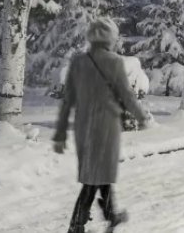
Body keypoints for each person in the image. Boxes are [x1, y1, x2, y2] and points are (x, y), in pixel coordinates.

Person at [54, 18, 150, 233]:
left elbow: (68, 99)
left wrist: (60, 133)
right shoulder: (114, 61)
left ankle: (111, 215)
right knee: (95, 177)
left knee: (98, 173)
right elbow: (126, 94)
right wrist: (141, 116)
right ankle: (76, 225)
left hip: (83, 127)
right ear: (110, 37)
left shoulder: (78, 61)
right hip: (106, 127)